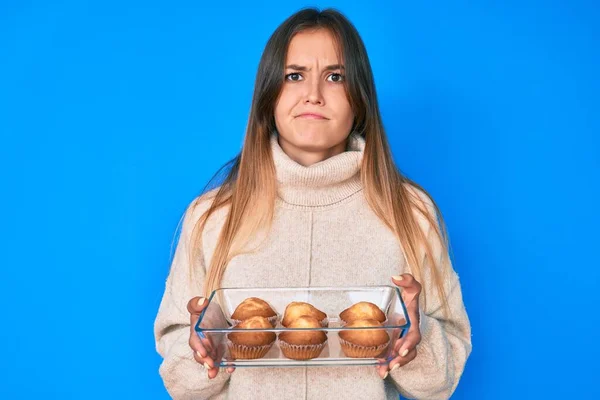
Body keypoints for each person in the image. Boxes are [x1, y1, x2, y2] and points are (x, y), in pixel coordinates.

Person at [154, 7, 471, 400]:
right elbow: (179, 379)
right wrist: (205, 349)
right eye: (294, 75)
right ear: (269, 94)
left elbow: (443, 379)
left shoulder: (410, 212)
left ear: (361, 97)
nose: (313, 94)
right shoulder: (212, 217)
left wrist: (412, 333)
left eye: (335, 77)